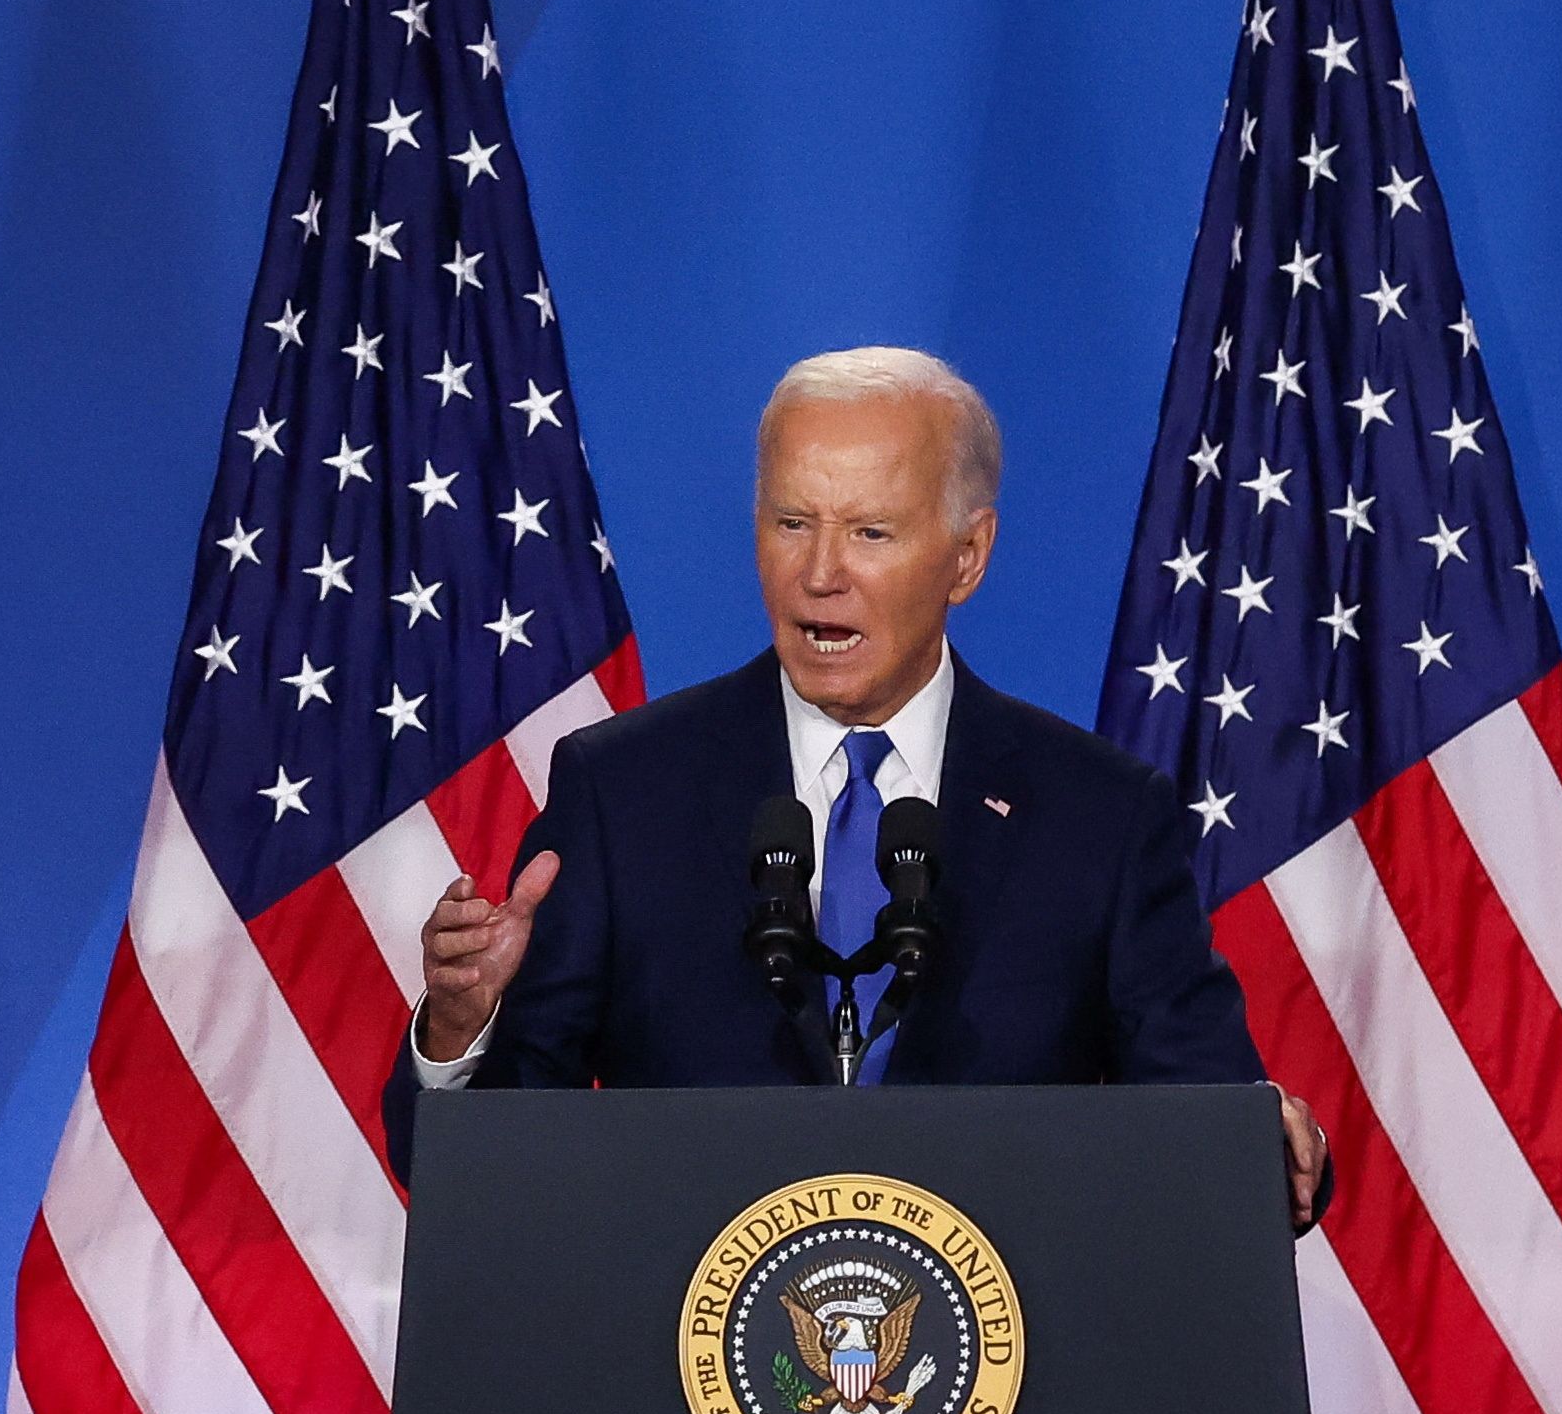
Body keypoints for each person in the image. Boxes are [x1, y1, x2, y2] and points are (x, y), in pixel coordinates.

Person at [380, 346, 1330, 1227]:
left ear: (968, 555)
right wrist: (464, 1029)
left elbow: (1201, 1113)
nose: (821, 574)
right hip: (685, 1365)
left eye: (870, 531)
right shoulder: (623, 790)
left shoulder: (1100, 818)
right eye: (792, 523)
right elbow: (471, 1169)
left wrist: (1255, 1143)